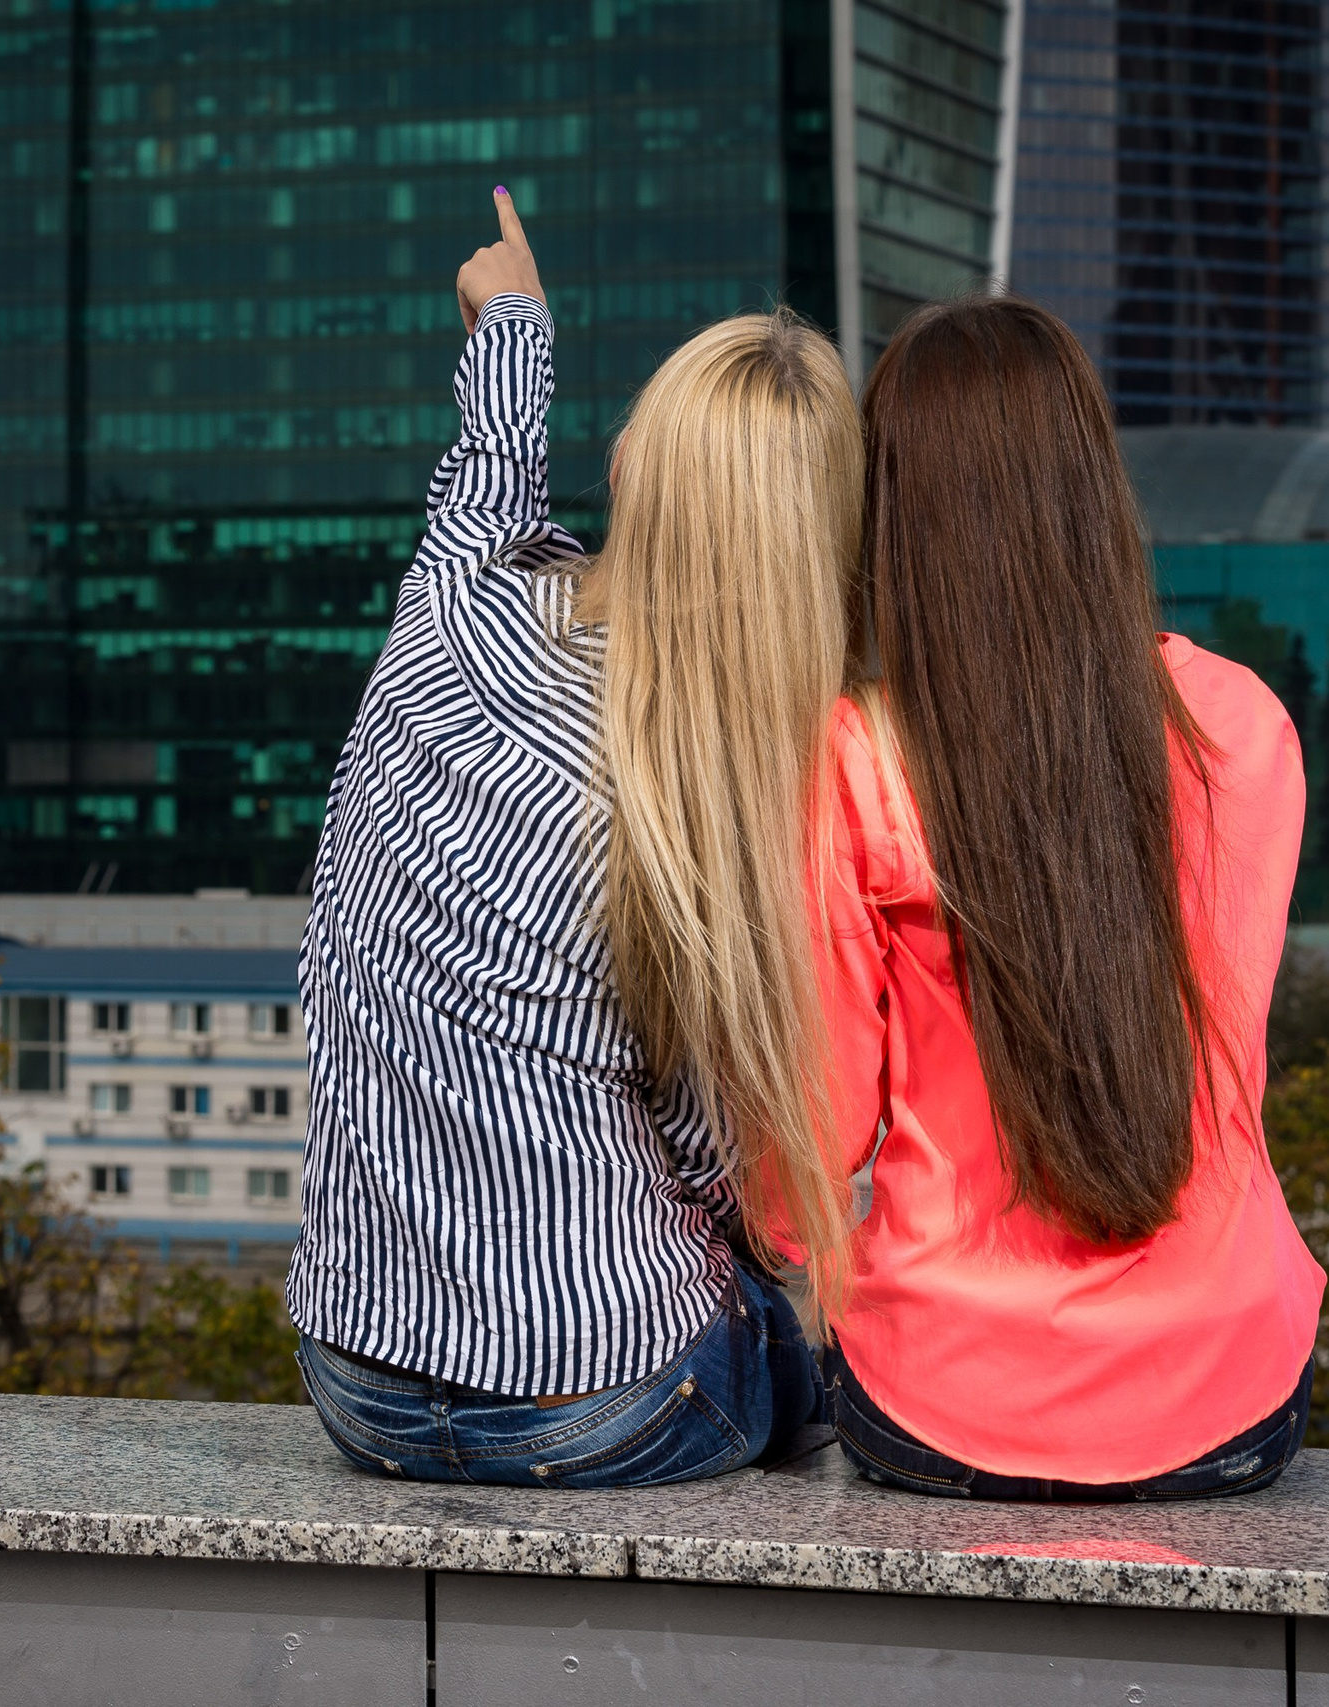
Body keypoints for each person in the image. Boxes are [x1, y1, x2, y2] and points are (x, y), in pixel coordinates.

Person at [283, 190, 855, 1487]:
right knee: (802, 1323)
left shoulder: (457, 597)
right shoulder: (701, 789)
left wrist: (518, 318)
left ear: (633, 464)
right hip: (595, 1403)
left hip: (357, 1380)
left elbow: (489, 464)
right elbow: (718, 1164)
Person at [801, 295, 1326, 1501]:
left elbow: (818, 1136)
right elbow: (1227, 1058)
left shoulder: (856, 759)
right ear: (1091, 484)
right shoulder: (1238, 729)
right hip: (1229, 1389)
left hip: (943, 1398)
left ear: (895, 517)